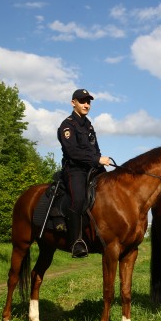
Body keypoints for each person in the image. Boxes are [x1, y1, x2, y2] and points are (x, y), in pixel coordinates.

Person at [57, 89, 111, 258]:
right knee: (79, 198)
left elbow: (95, 148)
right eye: (82, 101)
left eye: (88, 101)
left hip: (92, 168)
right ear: (73, 103)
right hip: (74, 169)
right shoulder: (67, 125)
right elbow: (73, 152)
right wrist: (97, 160)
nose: (86, 105)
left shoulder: (89, 125)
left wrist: (99, 161)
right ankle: (76, 242)